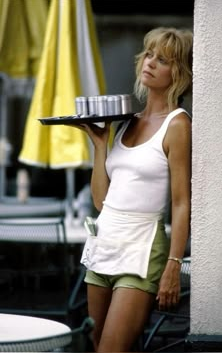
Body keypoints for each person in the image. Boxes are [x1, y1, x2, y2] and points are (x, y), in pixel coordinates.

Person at [72, 27, 192, 352]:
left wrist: (173, 264)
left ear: (178, 73)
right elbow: (101, 200)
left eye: (163, 59)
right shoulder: (126, 121)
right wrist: (100, 147)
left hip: (142, 247)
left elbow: (181, 203)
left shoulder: (178, 125)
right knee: (97, 346)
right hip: (104, 243)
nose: (150, 62)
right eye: (149, 54)